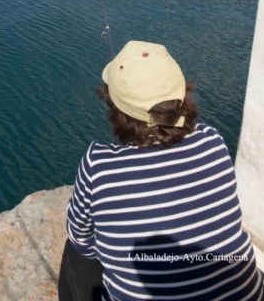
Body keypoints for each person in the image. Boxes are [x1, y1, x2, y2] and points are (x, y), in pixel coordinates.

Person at [58, 40, 263, 301]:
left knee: (75, 251)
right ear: (183, 95)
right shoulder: (212, 141)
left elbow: (82, 241)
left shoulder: (98, 165)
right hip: (246, 295)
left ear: (116, 107)